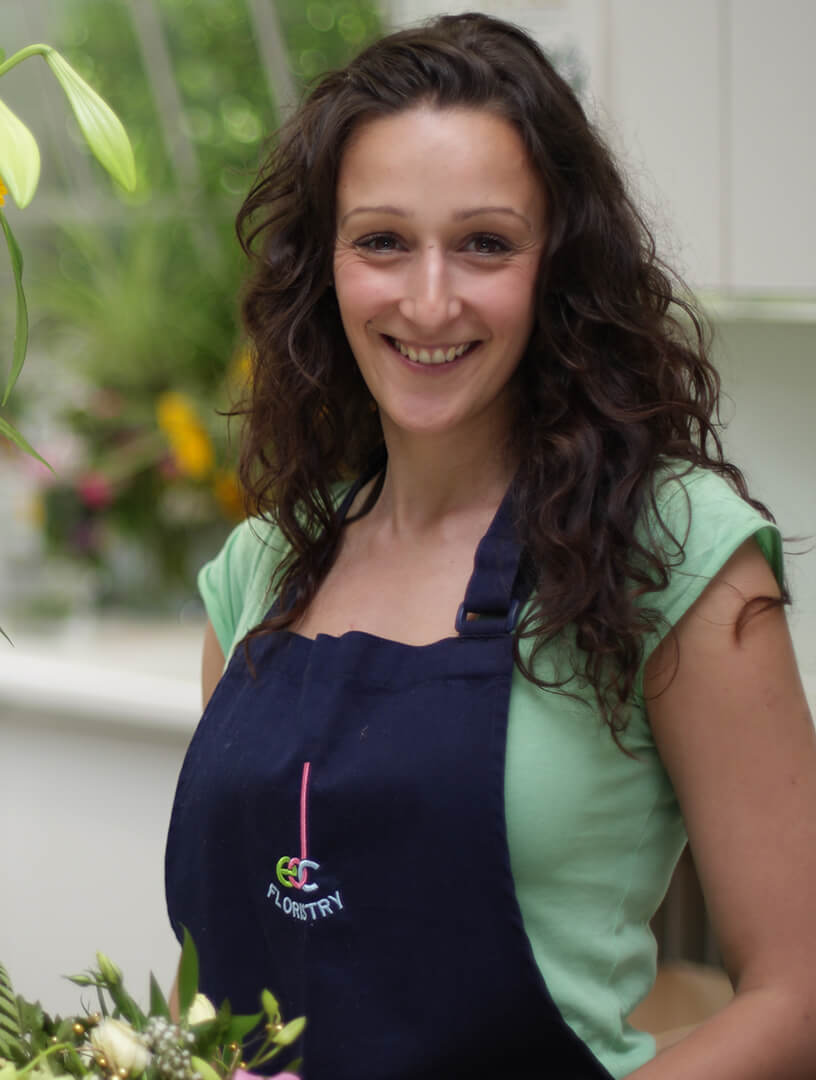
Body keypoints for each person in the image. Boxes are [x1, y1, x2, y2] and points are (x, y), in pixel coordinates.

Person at [162, 13, 816, 1080]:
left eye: (484, 244)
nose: (429, 300)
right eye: (382, 241)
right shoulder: (264, 570)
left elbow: (800, 997)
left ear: (556, 264)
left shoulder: (671, 547)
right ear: (323, 268)